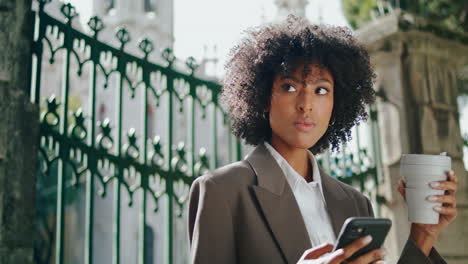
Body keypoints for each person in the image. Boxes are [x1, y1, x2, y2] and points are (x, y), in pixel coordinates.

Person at [187, 16, 458, 264]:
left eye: (321, 90)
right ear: (262, 98)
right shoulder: (221, 191)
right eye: (290, 87)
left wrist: (422, 237)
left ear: (335, 104)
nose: (306, 104)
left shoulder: (355, 202)